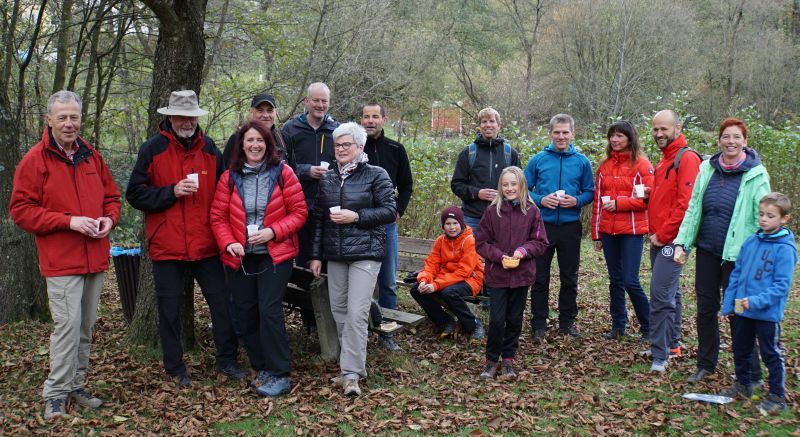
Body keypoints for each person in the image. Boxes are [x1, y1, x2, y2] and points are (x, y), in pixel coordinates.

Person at [9, 90, 121, 420]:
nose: (69, 124)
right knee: (67, 328)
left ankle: (76, 384)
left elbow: (112, 197)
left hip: (95, 258)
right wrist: (69, 221)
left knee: (85, 328)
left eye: (74, 117)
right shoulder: (35, 160)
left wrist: (108, 220)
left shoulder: (92, 156)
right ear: (49, 121)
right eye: (62, 118)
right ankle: (55, 394)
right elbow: (21, 211)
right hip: (61, 262)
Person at [126, 90, 245, 387]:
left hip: (206, 244)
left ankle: (227, 361)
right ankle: (175, 368)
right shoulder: (151, 149)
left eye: (190, 117)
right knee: (168, 311)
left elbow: (224, 191)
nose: (186, 122)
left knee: (221, 305)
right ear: (169, 117)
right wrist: (171, 192)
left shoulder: (210, 149)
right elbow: (134, 194)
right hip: (167, 245)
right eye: (180, 117)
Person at [210, 120, 307, 397]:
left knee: (269, 310)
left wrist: (272, 232)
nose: (255, 145)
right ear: (241, 145)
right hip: (241, 257)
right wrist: (229, 242)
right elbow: (217, 217)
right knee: (245, 312)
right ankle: (261, 366)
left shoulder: (283, 173)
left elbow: (299, 213)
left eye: (260, 140)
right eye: (249, 140)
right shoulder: (230, 177)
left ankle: (280, 373)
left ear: (268, 144)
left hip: (275, 255)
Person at [673, 117, 771, 384]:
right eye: (726, 137)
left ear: (745, 142)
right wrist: (682, 242)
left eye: (737, 137)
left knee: (739, 311)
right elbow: (694, 208)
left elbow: (764, 216)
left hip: (738, 256)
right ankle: (706, 364)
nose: (731, 142)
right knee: (705, 309)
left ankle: (751, 372)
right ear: (719, 140)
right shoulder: (707, 168)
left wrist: (759, 253)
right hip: (707, 249)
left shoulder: (756, 174)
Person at [308, 122, 396, 396]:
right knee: (340, 312)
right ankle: (353, 366)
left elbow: (389, 211)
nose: (342, 149)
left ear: (360, 147)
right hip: (335, 254)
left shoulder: (376, 175)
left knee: (358, 314)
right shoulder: (329, 178)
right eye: (338, 145)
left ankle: (350, 374)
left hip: (366, 253)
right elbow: (320, 219)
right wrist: (315, 255)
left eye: (347, 144)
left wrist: (356, 217)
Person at [716, 192, 796, 415]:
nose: (763, 219)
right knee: (741, 348)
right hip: (742, 310)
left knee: (770, 353)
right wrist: (729, 304)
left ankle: (777, 396)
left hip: (766, 313)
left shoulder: (785, 249)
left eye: (770, 216)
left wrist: (757, 301)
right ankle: (744, 384)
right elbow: (737, 274)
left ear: (783, 219)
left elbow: (781, 285)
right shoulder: (751, 241)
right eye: (761, 214)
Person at [639, 110, 702, 373]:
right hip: (660, 238)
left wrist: (662, 235)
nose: (658, 134)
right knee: (671, 292)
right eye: (655, 129)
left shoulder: (686, 158)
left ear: (678, 127)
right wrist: (651, 195)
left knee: (661, 295)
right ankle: (672, 345)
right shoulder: (666, 160)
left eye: (664, 129)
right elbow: (670, 197)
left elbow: (685, 205)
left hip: (673, 242)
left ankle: (659, 354)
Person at [524, 113, 594, 341]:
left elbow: (590, 192)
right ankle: (539, 324)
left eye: (565, 132)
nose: (561, 137)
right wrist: (541, 199)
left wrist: (577, 201)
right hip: (542, 226)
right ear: (550, 133)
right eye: (557, 132)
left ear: (573, 133)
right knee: (540, 277)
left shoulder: (582, 161)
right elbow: (523, 191)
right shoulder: (538, 160)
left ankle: (567, 323)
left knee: (569, 277)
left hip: (570, 226)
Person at [476, 167, 548, 381]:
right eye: (505, 184)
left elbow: (540, 242)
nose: (510, 188)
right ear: (501, 187)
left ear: (522, 185)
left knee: (515, 318)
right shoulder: (492, 211)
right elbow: (481, 242)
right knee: (497, 319)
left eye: (514, 184)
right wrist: (500, 257)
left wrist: (522, 252)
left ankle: (509, 359)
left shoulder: (532, 211)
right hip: (497, 275)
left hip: (522, 274)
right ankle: (491, 360)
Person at [591, 120, 653, 342]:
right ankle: (618, 326)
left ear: (630, 138)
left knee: (630, 280)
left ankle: (649, 327)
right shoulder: (604, 166)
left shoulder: (642, 165)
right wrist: (596, 234)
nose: (615, 140)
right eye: (612, 136)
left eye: (620, 136)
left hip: (632, 231)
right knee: (615, 279)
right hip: (608, 231)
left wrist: (619, 203)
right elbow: (598, 202)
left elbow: (646, 201)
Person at [361, 103, 414, 351]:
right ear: (360, 120)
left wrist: (398, 211)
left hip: (386, 226)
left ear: (384, 119)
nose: (370, 121)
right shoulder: (352, 147)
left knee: (388, 282)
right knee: (359, 281)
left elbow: (406, 185)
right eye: (366, 117)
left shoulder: (395, 148)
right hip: (359, 225)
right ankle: (360, 330)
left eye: (375, 117)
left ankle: (387, 334)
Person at [283, 82, 340, 267]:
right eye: (316, 100)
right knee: (303, 259)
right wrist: (306, 171)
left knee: (328, 260)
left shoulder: (336, 130)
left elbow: (346, 164)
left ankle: (328, 296)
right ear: (306, 101)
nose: (320, 105)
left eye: (324, 101)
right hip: (300, 203)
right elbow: (283, 166)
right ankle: (301, 295)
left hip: (330, 205)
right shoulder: (291, 129)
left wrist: (332, 175)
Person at [411, 205, 485, 340]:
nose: (452, 227)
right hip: (447, 278)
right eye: (448, 224)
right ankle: (445, 321)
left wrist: (436, 285)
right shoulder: (440, 241)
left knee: (449, 293)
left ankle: (473, 325)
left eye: (455, 223)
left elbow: (464, 271)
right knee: (416, 290)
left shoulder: (469, 241)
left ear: (461, 223)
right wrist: (424, 280)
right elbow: (431, 264)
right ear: (443, 226)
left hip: (471, 279)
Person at [451, 107, 521, 234]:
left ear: (499, 125)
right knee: (470, 254)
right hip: (472, 218)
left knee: (501, 254)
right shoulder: (468, 153)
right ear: (480, 126)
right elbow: (456, 185)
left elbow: (520, 186)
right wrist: (477, 193)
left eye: (492, 121)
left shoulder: (510, 153)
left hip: (503, 217)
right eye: (484, 121)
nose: (488, 125)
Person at [221, 93, 287, 168]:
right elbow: (226, 173)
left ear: (275, 112)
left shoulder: (283, 138)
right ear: (251, 112)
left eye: (270, 110)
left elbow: (293, 172)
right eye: (260, 110)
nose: (265, 115)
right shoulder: (237, 138)